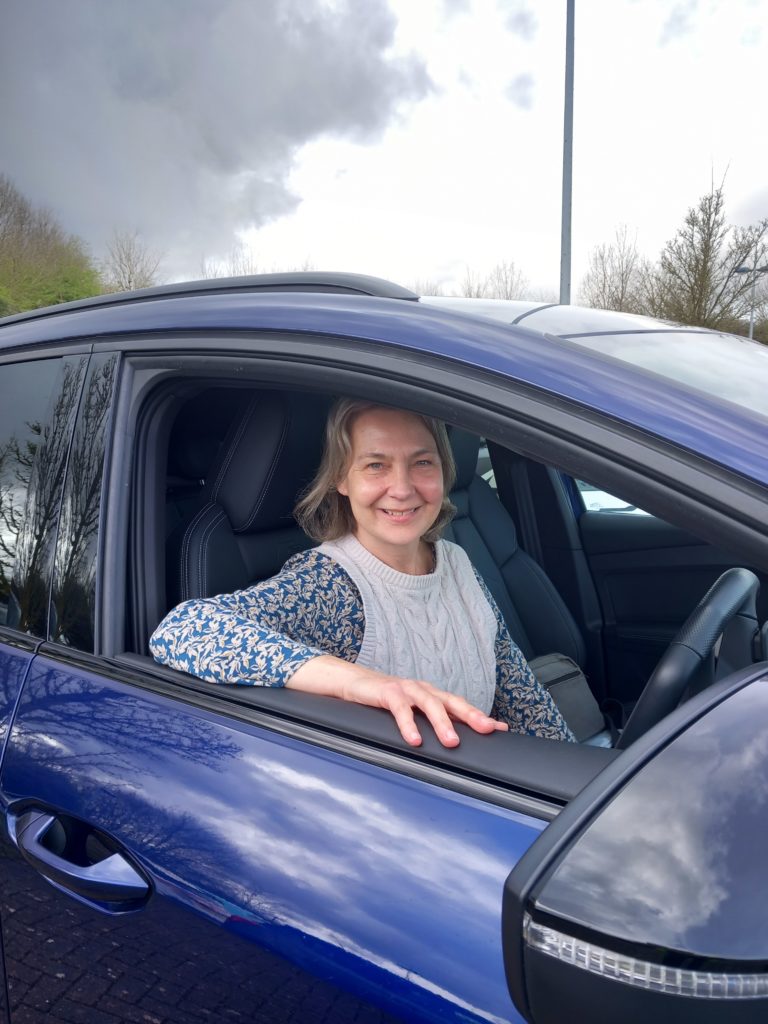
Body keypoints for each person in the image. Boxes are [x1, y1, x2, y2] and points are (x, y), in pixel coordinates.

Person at [150, 400, 575, 747]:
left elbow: (526, 703)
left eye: (422, 463)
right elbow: (182, 631)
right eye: (376, 465)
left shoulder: (458, 563)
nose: (403, 488)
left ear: (445, 472)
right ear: (341, 479)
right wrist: (363, 683)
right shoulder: (332, 585)